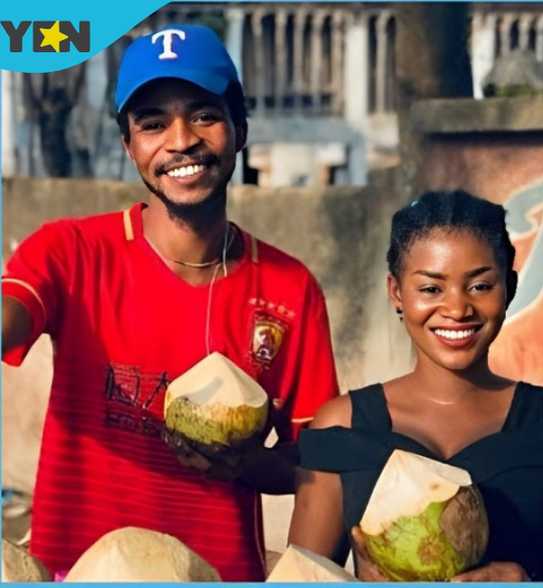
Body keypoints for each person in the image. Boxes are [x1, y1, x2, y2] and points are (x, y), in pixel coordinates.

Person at [0, 25, 340, 581]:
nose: (180, 140)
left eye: (203, 114)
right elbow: (11, 316)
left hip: (224, 575)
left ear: (240, 128)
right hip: (78, 571)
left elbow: (315, 459)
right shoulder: (72, 251)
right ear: (129, 146)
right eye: (153, 123)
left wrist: (250, 464)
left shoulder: (288, 288)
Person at [289, 191, 543, 582]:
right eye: (431, 289)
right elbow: (300, 577)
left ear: (509, 288)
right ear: (397, 293)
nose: (457, 309)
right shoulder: (342, 423)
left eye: (480, 286)